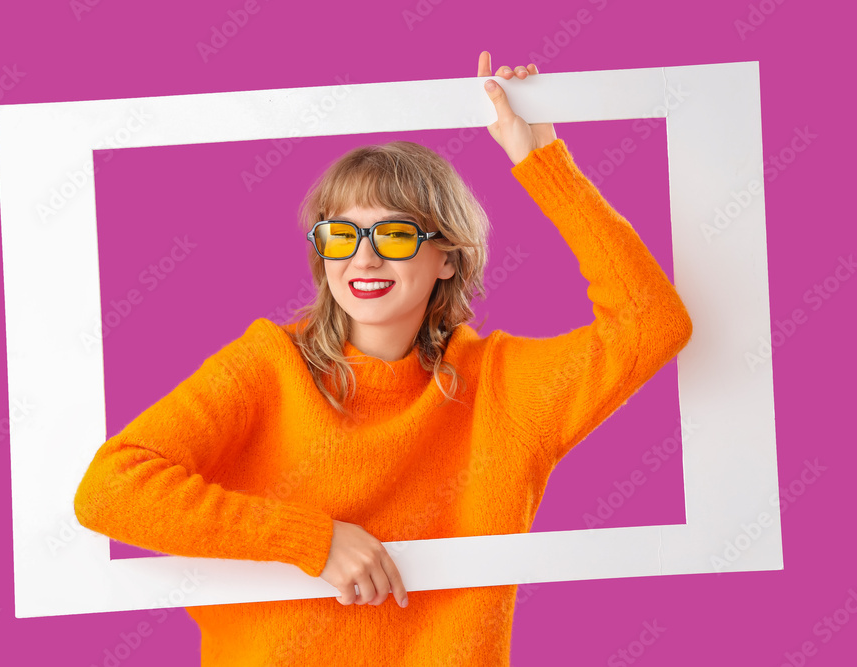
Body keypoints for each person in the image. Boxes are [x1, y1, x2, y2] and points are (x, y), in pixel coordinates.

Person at [73, 51, 693, 666]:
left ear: (448, 258)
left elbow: (651, 322)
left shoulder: (501, 387)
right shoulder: (269, 365)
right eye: (342, 234)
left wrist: (541, 160)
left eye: (395, 234)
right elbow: (109, 490)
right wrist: (311, 541)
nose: (363, 258)